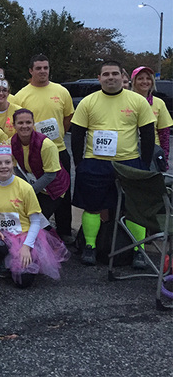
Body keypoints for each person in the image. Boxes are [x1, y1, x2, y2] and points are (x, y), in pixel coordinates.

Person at [71, 60, 155, 267]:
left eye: (115, 74)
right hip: (95, 163)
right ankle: (89, 247)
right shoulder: (88, 102)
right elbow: (77, 134)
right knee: (92, 207)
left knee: (134, 208)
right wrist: (80, 163)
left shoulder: (137, 101)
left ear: (122, 77)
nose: (111, 77)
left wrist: (143, 165)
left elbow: (147, 135)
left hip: (129, 163)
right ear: (99, 78)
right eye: (106, 74)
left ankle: (138, 249)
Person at [0, 144, 69, 288]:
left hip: (25, 235)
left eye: (7, 162)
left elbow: (35, 221)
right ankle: (4, 261)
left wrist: (26, 247)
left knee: (24, 282)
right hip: (3, 235)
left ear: (13, 163)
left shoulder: (25, 188)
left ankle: (18, 261)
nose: (3, 166)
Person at [14, 54, 75, 243]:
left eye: (46, 68)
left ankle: (65, 231)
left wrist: (55, 137)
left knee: (63, 193)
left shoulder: (61, 91)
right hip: (32, 152)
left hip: (57, 149)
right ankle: (40, 232)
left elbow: (68, 117)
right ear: (31, 70)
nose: (43, 71)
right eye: (38, 68)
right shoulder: (21, 95)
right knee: (38, 192)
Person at [11, 109, 70, 227]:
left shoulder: (46, 145)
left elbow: (51, 175)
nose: (24, 126)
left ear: (33, 123)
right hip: (35, 185)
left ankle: (51, 242)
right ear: (14, 125)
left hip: (53, 187)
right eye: (20, 123)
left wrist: (29, 192)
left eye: (28, 122)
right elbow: (16, 167)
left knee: (37, 220)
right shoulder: (13, 142)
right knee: (25, 215)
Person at [131, 66, 172, 164]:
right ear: (134, 81)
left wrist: (163, 158)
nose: (145, 81)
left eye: (148, 78)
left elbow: (164, 134)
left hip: (152, 152)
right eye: (140, 78)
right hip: (129, 153)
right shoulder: (126, 101)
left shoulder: (159, 103)